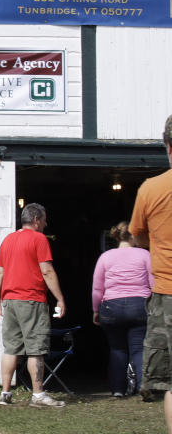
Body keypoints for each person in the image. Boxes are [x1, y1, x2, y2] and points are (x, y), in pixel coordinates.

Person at [0, 203, 66, 407]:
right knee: (36, 349)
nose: (45, 223)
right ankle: (38, 394)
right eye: (44, 219)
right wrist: (59, 298)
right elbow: (47, 271)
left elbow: (0, 272)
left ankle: (5, 393)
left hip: (10, 301)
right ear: (36, 220)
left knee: (11, 348)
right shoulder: (39, 239)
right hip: (31, 300)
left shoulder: (8, 240)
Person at [132, 114, 172, 423]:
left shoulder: (151, 189)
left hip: (167, 295)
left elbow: (139, 235)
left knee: (170, 383)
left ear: (168, 148)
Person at [92, 221, 152, 397]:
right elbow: (153, 280)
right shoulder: (144, 254)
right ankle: (143, 386)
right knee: (139, 348)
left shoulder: (105, 257)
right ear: (133, 236)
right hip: (139, 305)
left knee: (117, 349)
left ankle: (118, 389)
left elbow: (97, 287)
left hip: (111, 307)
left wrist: (96, 309)